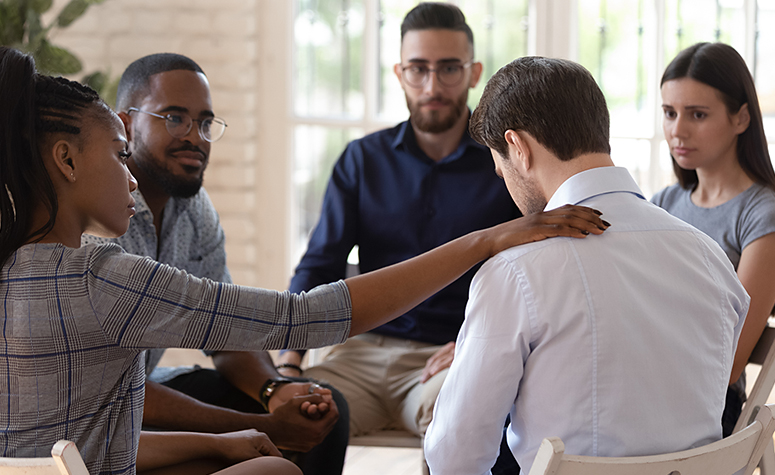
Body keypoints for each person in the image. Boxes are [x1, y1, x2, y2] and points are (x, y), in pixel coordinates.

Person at [0, 46, 607, 475]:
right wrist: (488, 239)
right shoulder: (102, 276)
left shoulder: (18, 267)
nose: (128, 174)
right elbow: (304, 317)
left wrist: (242, 426)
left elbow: (82, 441)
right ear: (66, 160)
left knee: (276, 439)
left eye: (206, 121)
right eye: (117, 152)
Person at [423, 56, 750, 475]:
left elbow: (455, 455)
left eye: (499, 165)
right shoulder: (710, 257)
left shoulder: (516, 271)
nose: (502, 180)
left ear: (518, 149)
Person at [81, 53, 348, 475]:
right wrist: (260, 425)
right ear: (126, 125)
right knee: (271, 440)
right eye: (174, 118)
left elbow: (222, 333)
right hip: (95, 416)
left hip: (146, 389)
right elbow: (108, 388)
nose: (195, 136)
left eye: (204, 123)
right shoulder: (92, 215)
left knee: (321, 411)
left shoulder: (194, 209)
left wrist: (273, 390)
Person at [278, 2, 520, 451]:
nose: (433, 85)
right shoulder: (362, 160)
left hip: (451, 355)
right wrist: (289, 363)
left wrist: (478, 344)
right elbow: (319, 264)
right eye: (418, 69)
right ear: (399, 72)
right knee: (293, 416)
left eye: (449, 68)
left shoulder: (505, 163)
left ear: (473, 73)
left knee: (463, 421)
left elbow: (535, 269)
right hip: (359, 355)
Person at [652, 42, 775, 437]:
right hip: (642, 385)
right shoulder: (663, 203)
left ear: (741, 118)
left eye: (698, 115)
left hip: (703, 408)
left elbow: (731, 361)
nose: (677, 130)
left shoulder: (762, 214)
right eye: (669, 113)